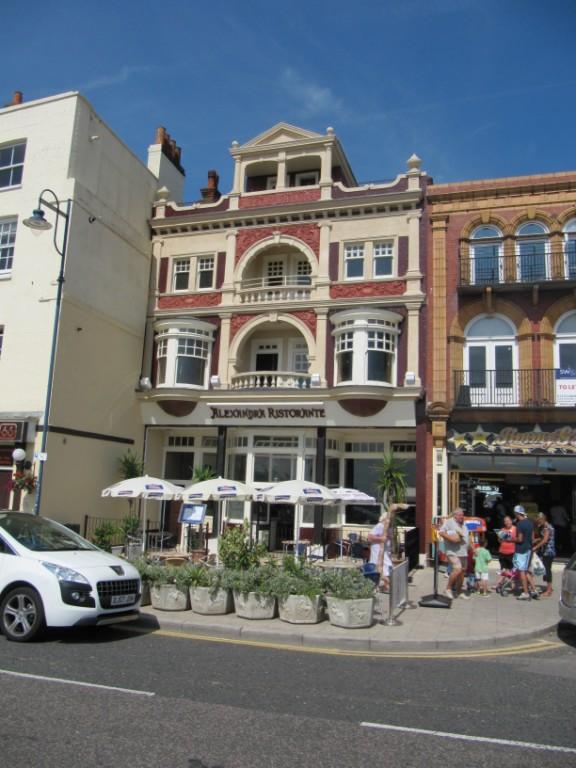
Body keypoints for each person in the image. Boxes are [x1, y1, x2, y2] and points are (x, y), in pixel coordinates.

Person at [367, 503, 408, 592]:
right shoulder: (380, 526)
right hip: (378, 552)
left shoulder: (388, 527)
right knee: (385, 569)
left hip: (386, 552)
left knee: (385, 570)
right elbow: (369, 537)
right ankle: (386, 586)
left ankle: (384, 586)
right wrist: (380, 538)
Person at [438, 507, 470, 600]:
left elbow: (467, 537)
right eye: (460, 515)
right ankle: (448, 589)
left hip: (463, 552)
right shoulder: (449, 522)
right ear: (455, 515)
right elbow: (441, 532)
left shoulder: (463, 523)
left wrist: (473, 548)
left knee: (462, 572)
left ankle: (459, 592)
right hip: (452, 551)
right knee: (457, 569)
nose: (462, 516)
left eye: (462, 515)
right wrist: (451, 538)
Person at [511, 505, 538, 601]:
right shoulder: (530, 523)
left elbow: (520, 539)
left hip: (522, 550)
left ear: (517, 514)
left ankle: (526, 592)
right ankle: (534, 590)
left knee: (522, 571)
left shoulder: (520, 524)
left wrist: (510, 539)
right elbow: (532, 538)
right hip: (529, 549)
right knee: (526, 571)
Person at [533, 511, 556, 598]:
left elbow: (545, 540)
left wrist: (535, 547)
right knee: (546, 569)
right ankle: (548, 587)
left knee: (547, 570)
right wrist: (536, 540)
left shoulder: (547, 528)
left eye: (539, 521)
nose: (538, 523)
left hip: (548, 552)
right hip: (546, 551)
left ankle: (549, 590)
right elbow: (543, 538)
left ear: (543, 519)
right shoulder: (545, 527)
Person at [495, 515, 516, 593]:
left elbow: (518, 539)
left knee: (512, 570)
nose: (506, 522)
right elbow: (499, 541)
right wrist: (500, 538)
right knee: (503, 569)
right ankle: (500, 584)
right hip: (502, 551)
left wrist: (509, 538)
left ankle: (512, 585)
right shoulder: (502, 529)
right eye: (505, 521)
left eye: (508, 520)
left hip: (512, 551)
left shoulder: (515, 529)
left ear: (511, 521)